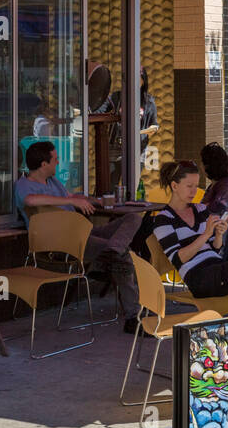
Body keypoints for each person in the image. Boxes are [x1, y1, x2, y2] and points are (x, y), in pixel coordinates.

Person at [14, 141, 144, 333]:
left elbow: (71, 195)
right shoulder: (24, 185)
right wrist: (70, 201)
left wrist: (94, 200)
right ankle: (134, 316)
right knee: (124, 258)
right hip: (62, 244)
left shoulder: (53, 182)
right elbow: (30, 200)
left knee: (132, 218)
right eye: (55, 159)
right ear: (43, 164)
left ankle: (110, 252)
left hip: (83, 233)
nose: (58, 163)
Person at [154, 160, 228, 313]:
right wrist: (205, 235)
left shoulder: (200, 209)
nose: (194, 191)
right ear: (174, 186)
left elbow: (214, 249)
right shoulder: (163, 219)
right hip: (198, 278)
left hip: (218, 271)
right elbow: (178, 259)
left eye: (196, 186)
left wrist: (218, 234)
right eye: (189, 186)